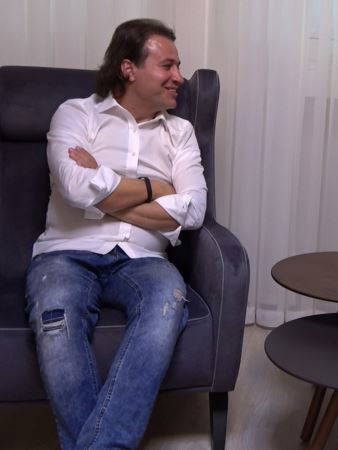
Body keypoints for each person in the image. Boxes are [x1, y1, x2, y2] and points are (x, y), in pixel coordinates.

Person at [25, 18, 207, 449]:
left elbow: (194, 210)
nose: (179, 77)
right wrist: (156, 188)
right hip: (66, 254)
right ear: (129, 68)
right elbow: (74, 187)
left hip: (144, 262)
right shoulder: (76, 114)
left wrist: (103, 190)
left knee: (167, 301)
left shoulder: (180, 133)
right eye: (168, 65)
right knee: (56, 314)